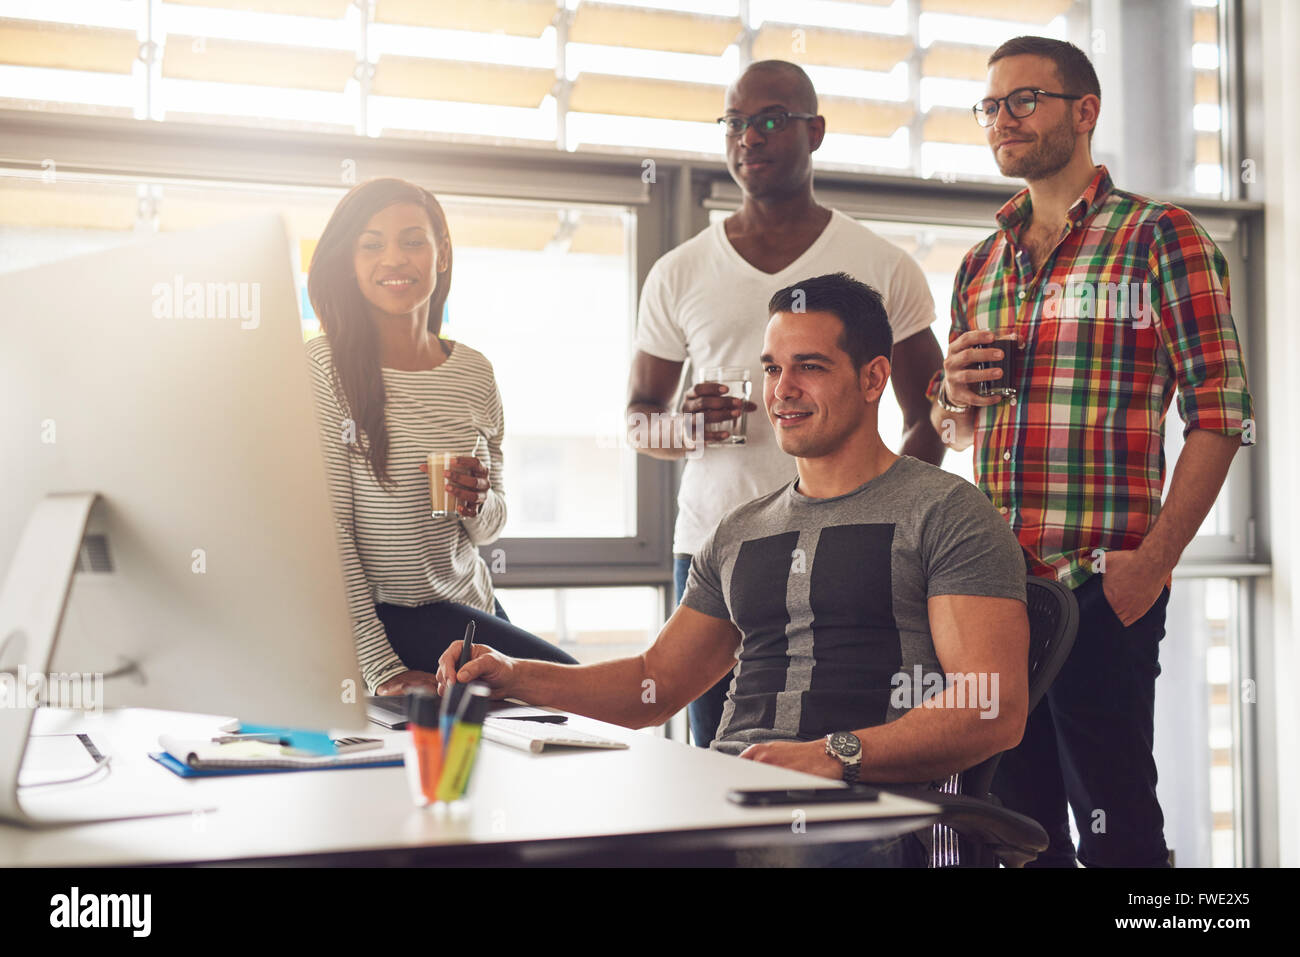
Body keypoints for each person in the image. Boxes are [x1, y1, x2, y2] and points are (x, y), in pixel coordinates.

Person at [442, 273, 1029, 867]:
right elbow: (655, 684)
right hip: (725, 795)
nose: (783, 390)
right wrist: (512, 676)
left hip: (862, 809)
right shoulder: (740, 529)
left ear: (874, 377)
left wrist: (832, 753)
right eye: (772, 368)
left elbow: (992, 707)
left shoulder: (947, 511)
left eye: (811, 367)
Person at [928, 37, 1253, 867]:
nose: (1002, 119)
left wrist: (1152, 562)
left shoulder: (1160, 238)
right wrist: (952, 397)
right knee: (1013, 833)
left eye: (1023, 100)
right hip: (992, 598)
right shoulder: (981, 263)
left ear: (1084, 111)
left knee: (1121, 837)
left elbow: (1222, 414)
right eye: (991, 106)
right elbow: (960, 429)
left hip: (1099, 589)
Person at [626, 59, 948, 748]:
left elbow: (930, 412)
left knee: (851, 746)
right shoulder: (679, 271)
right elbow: (638, 420)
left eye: (769, 120)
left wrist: (892, 509)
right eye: (735, 124)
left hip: (857, 549)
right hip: (718, 550)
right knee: (721, 759)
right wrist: (682, 427)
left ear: (816, 132)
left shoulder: (882, 264)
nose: (749, 138)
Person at [305, 177, 577, 696]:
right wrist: (380, 667)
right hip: (391, 622)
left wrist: (475, 504)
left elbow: (490, 528)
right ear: (349, 260)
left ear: (442, 253)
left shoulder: (474, 372)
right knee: (577, 698)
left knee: (562, 715)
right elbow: (329, 533)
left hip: (470, 616)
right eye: (371, 243)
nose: (393, 259)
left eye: (412, 240)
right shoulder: (324, 367)